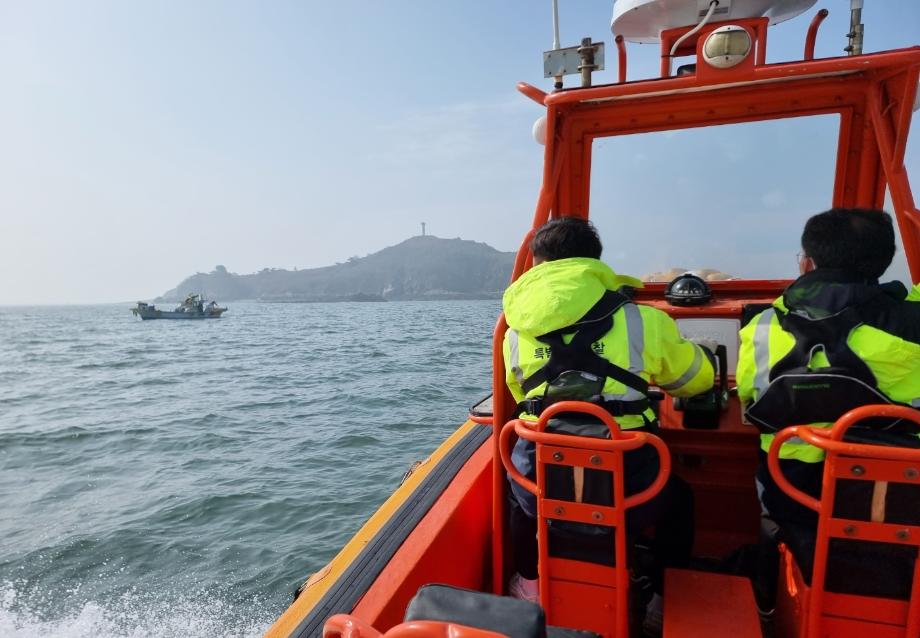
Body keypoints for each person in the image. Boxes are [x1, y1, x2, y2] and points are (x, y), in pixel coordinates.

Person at [502, 217, 715, 622]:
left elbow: (520, 398)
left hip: (545, 483)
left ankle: (529, 584)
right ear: (594, 263)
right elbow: (694, 380)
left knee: (516, 493)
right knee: (679, 499)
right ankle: (660, 602)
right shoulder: (643, 319)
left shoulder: (513, 332)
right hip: (629, 486)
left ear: (537, 265)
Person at [736, 208, 920, 608]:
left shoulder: (762, 325)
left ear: (807, 262)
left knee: (769, 490)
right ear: (884, 260)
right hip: (898, 496)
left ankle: (769, 602)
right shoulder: (912, 321)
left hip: (793, 488)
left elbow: (750, 399)